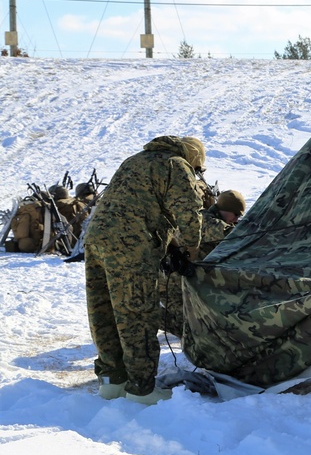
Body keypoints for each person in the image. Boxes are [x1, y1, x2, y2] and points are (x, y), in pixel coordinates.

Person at [85, 136, 205, 405]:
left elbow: (139, 204)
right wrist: (190, 251)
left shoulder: (135, 160)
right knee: (136, 313)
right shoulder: (177, 165)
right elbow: (188, 210)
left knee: (102, 308)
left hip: (96, 239)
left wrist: (170, 244)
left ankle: (112, 380)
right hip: (130, 244)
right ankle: (141, 389)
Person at [161, 189, 246, 336]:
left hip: (187, 283)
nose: (237, 219)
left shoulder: (210, 218)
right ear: (225, 210)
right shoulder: (205, 221)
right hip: (174, 287)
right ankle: (147, 316)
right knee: (194, 331)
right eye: (236, 214)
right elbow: (232, 235)